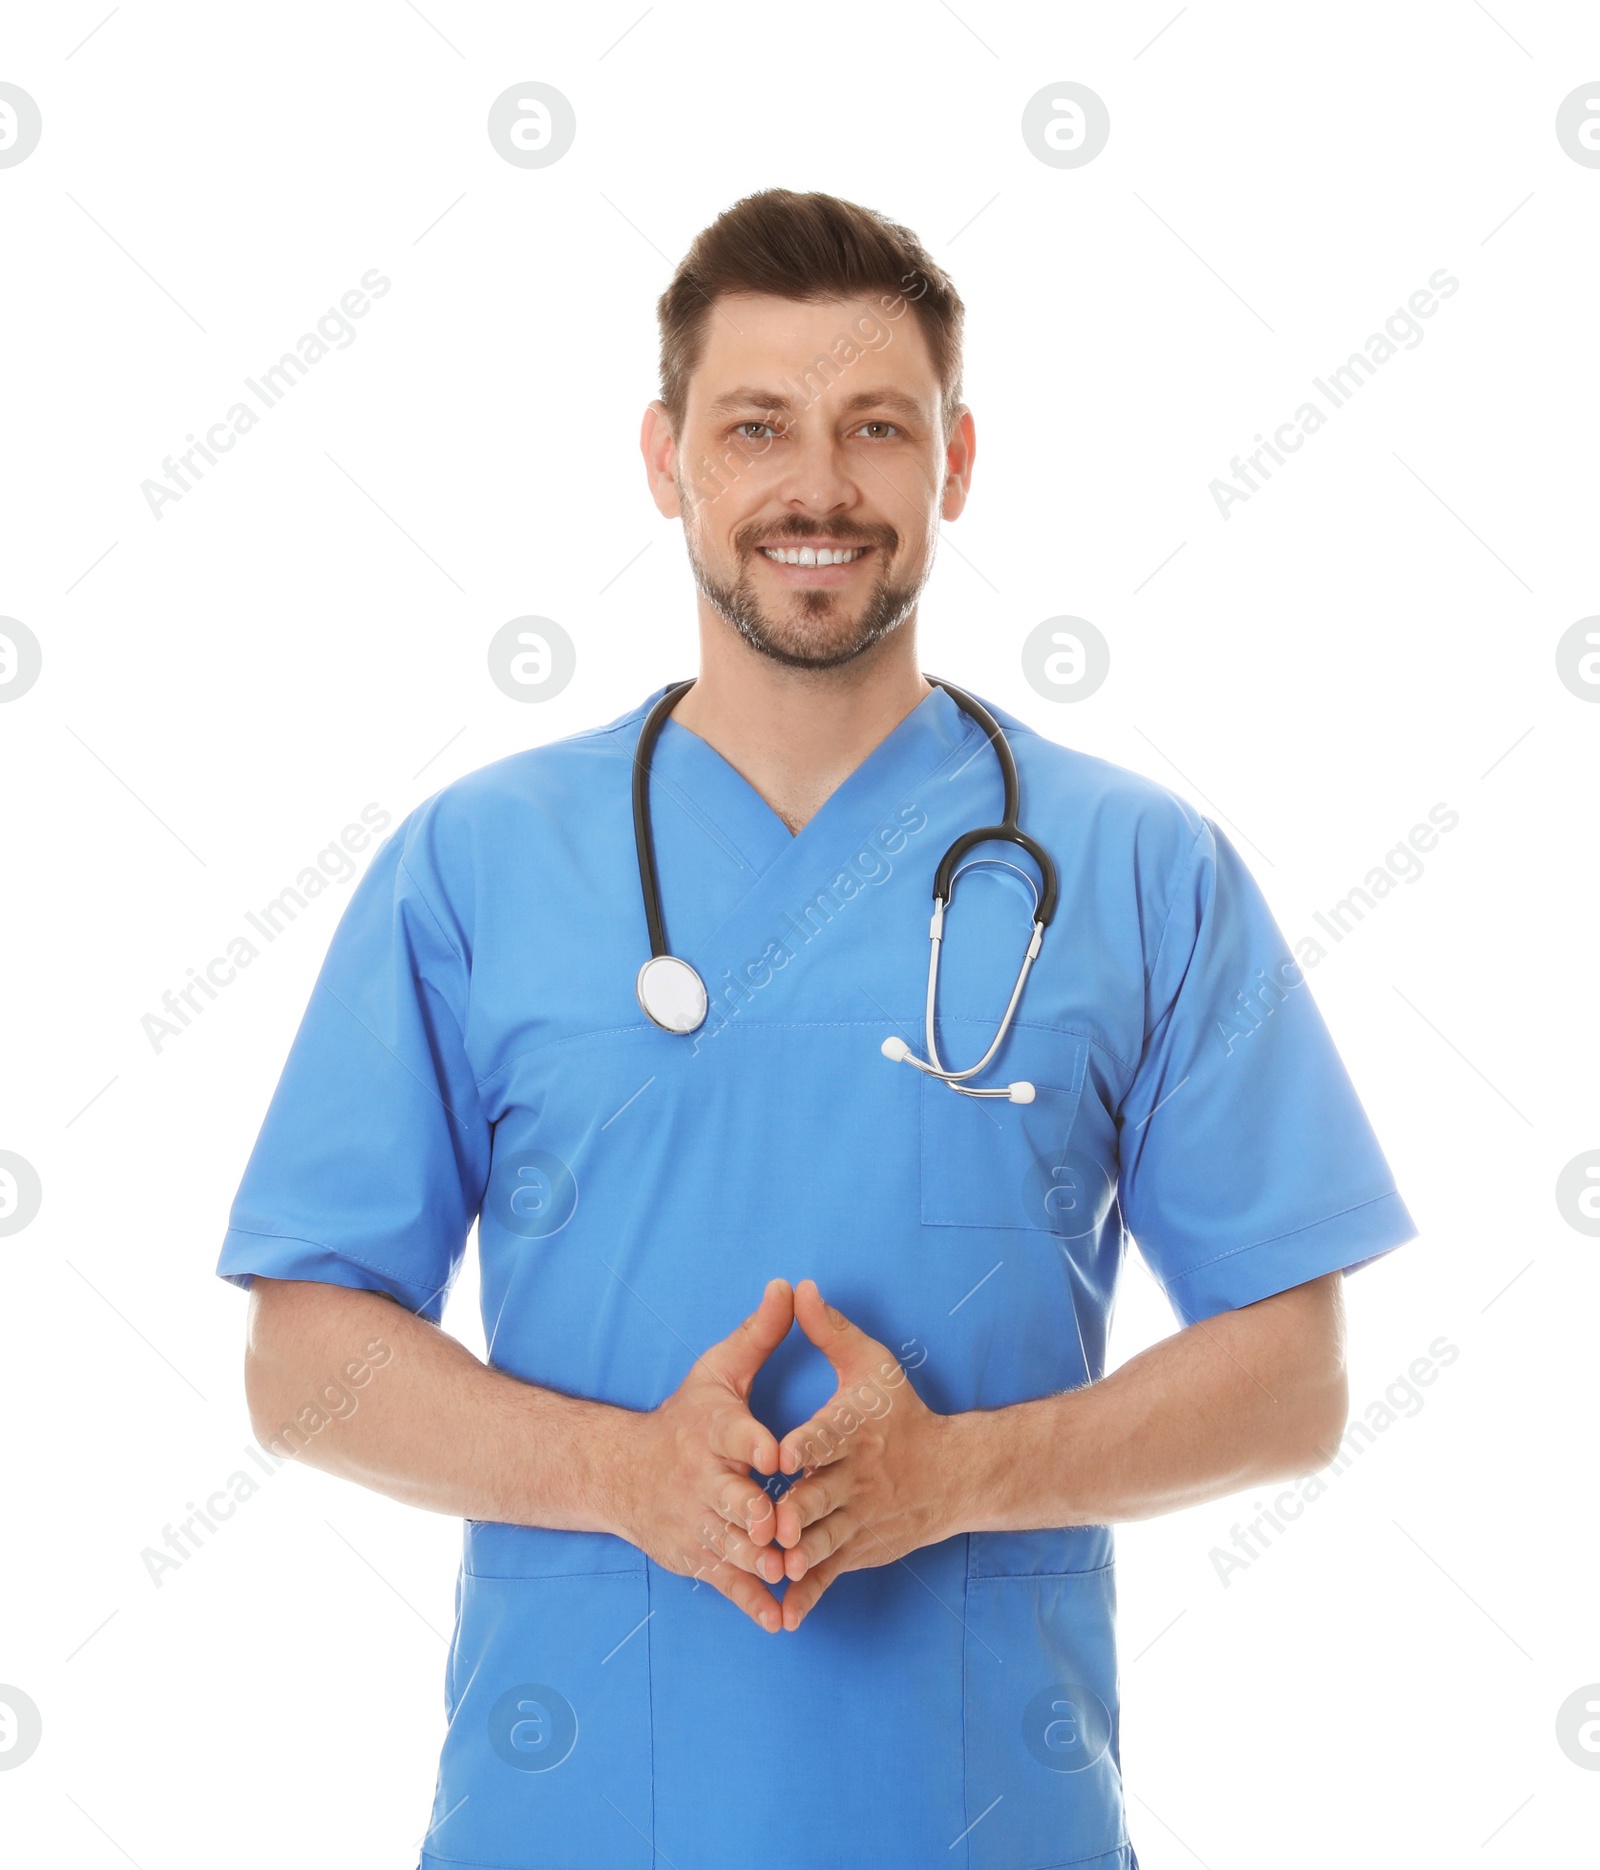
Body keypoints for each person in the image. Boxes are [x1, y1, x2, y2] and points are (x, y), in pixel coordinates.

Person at [221, 188, 1416, 1870]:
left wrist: (955, 1477)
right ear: (666, 457)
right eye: (757, 426)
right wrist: (629, 1473)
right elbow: (303, 1358)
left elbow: (1293, 1377)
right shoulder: (477, 865)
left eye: (877, 428)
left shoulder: (1141, 869)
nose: (819, 487)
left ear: (957, 460)